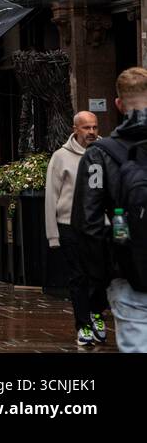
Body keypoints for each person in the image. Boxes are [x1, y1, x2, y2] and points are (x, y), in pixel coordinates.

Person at [74, 66, 147, 353]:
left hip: (128, 272)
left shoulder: (100, 154)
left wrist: (102, 276)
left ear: (118, 105)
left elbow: (87, 221)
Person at [46, 111, 108, 347]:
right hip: (70, 225)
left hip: (101, 225)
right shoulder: (61, 157)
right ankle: (82, 325)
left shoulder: (105, 152)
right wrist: (52, 234)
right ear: (75, 129)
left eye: (94, 127)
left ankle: (97, 315)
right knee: (78, 277)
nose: (91, 132)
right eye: (86, 128)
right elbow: (51, 196)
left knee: (100, 276)